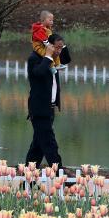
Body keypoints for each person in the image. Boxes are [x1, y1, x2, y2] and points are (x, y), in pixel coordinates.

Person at [26, 34, 71, 169]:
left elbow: (67, 59)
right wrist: (48, 55)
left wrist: (62, 47)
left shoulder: (55, 58)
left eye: (60, 48)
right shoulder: (35, 58)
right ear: (49, 46)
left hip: (49, 108)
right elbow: (38, 73)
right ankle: (60, 175)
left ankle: (28, 180)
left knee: (38, 147)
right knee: (50, 144)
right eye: (56, 48)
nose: (59, 51)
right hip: (39, 109)